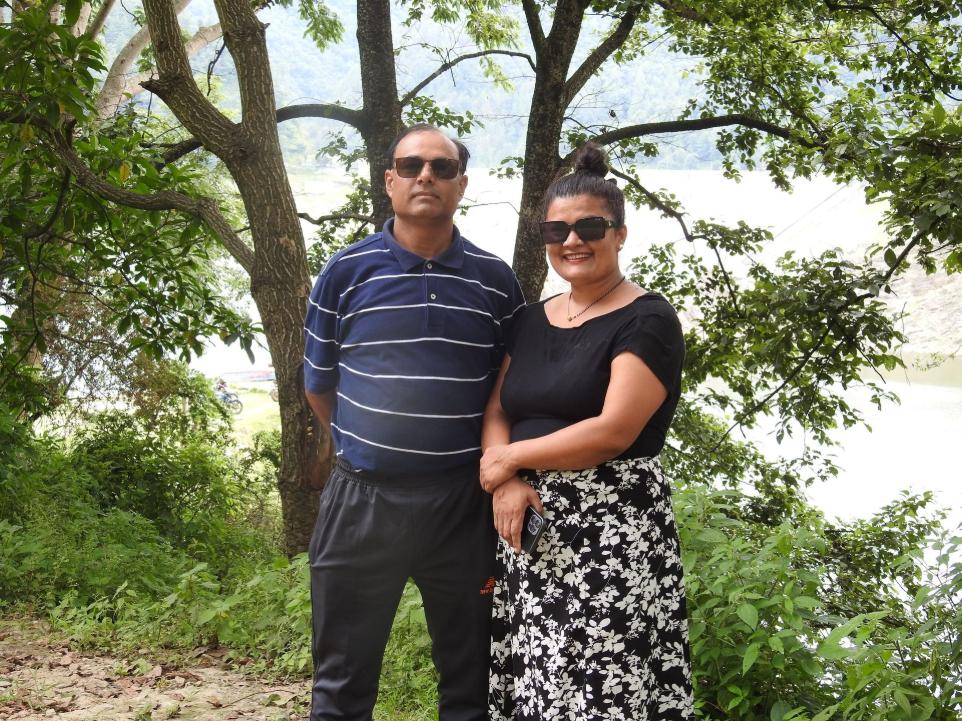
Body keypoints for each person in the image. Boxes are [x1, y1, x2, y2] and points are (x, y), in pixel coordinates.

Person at [302, 124, 525, 721]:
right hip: (362, 503)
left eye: (442, 168)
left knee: (472, 678)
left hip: (461, 506)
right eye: (411, 166)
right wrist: (368, 445)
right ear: (389, 180)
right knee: (341, 682)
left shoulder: (495, 280)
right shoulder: (345, 272)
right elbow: (318, 384)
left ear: (461, 185)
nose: (426, 176)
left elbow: (508, 393)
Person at [480, 143, 693, 720]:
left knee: (603, 693)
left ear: (619, 234)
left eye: (590, 227)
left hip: (612, 536)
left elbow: (613, 431)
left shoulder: (647, 318)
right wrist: (505, 479)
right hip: (529, 527)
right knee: (538, 685)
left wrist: (511, 459)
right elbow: (497, 408)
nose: (572, 240)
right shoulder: (529, 319)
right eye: (557, 230)